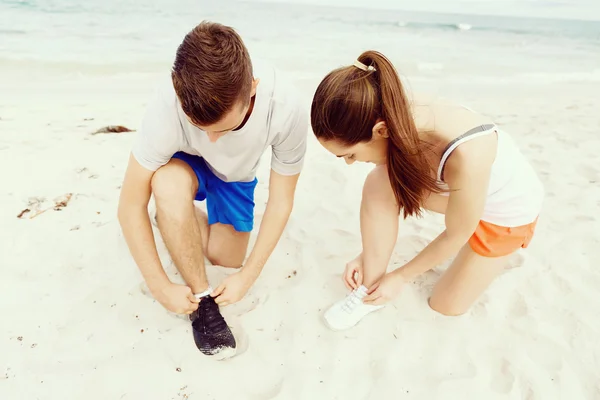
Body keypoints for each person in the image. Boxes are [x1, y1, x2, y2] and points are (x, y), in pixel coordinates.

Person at [310, 50, 544, 331]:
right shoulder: (389, 107)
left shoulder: (466, 157)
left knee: (445, 305)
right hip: (462, 193)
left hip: (505, 211)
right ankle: (369, 291)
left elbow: (458, 233)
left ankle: (499, 256)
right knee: (377, 183)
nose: (350, 164)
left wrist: (400, 277)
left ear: (381, 131)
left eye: (349, 154)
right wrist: (369, 255)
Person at [117, 21, 307, 358]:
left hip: (235, 175)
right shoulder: (167, 105)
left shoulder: (286, 106)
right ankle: (201, 299)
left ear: (253, 89)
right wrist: (160, 286)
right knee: (165, 183)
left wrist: (248, 275)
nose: (213, 140)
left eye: (226, 127)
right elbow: (130, 205)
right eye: (201, 128)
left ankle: (174, 218)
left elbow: (281, 201)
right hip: (183, 165)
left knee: (227, 257)